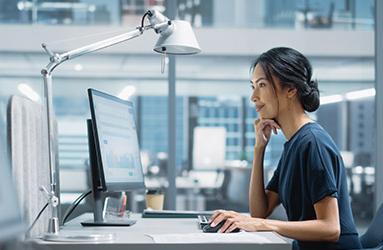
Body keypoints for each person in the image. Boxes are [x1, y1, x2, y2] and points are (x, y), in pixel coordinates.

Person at [209, 47, 361, 250]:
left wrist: (262, 225)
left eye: (261, 85)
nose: (253, 96)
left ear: (290, 89)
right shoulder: (294, 144)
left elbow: (330, 228)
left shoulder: (313, 143)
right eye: (253, 86)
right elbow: (260, 211)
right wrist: (259, 149)